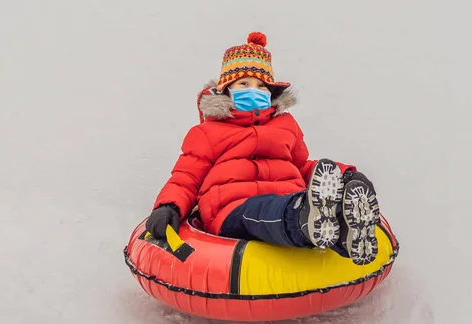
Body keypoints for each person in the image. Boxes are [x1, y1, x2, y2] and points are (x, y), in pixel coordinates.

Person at [146, 32, 380, 265]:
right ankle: (307, 217)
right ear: (227, 89)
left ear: (270, 92)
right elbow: (186, 176)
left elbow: (301, 168)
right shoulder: (207, 132)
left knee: (290, 203)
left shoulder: (286, 125)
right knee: (265, 212)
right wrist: (169, 207)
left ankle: (349, 230)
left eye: (260, 86)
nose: (253, 90)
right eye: (244, 84)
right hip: (233, 208)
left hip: (289, 195)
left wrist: (344, 174)